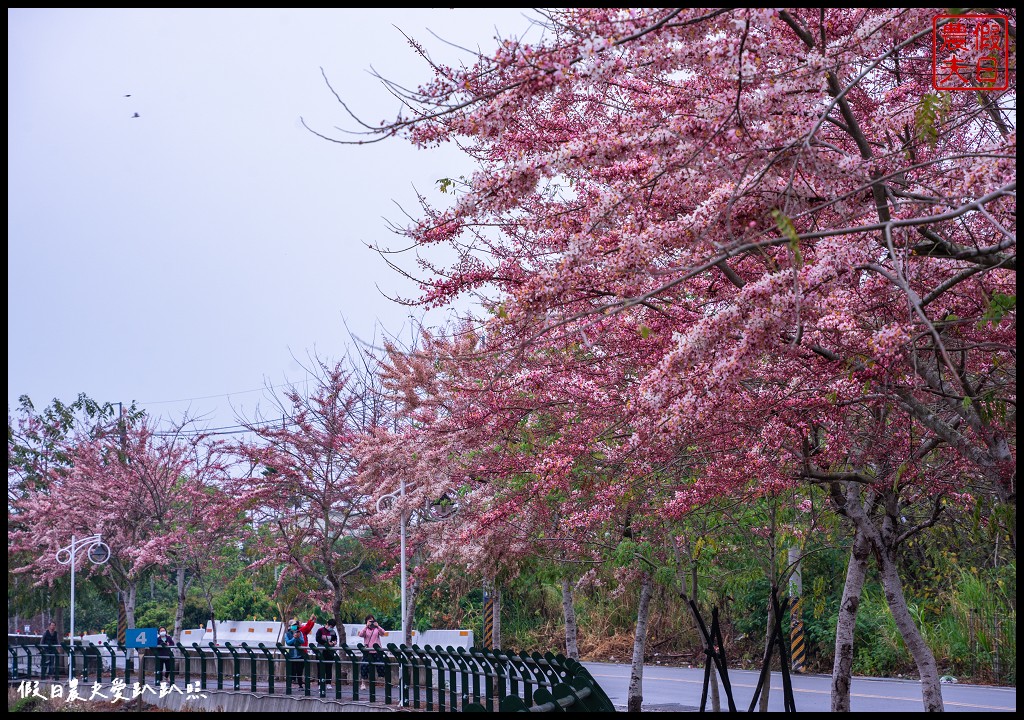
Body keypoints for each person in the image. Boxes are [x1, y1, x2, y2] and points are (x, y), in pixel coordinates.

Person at [356, 614, 386, 690]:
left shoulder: (377, 629)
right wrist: (366, 626)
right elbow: (360, 635)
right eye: (369, 621)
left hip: (377, 651)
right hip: (367, 651)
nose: (371, 623)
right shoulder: (365, 629)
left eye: (372, 621)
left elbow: (383, 633)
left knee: (381, 666)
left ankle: (384, 682)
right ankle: (363, 683)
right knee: (364, 666)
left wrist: (377, 626)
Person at [285, 616, 314, 689]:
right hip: (291, 656)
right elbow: (288, 642)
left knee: (299, 671)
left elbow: (302, 641)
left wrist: (297, 637)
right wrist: (293, 638)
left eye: (295, 625)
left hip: (299, 655)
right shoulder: (287, 634)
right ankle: (289, 686)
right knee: (291, 671)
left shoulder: (300, 632)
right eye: (293, 625)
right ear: (290, 626)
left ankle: (300, 685)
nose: (295, 626)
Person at [314, 618, 339, 688]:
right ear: (327, 624)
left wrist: (334, 642)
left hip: (329, 652)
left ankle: (328, 683)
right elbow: (318, 639)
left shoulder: (333, 632)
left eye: (333, 627)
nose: (331, 628)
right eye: (331, 626)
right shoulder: (320, 630)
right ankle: (320, 683)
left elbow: (335, 638)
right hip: (321, 651)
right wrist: (327, 643)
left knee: (329, 667)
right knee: (320, 668)